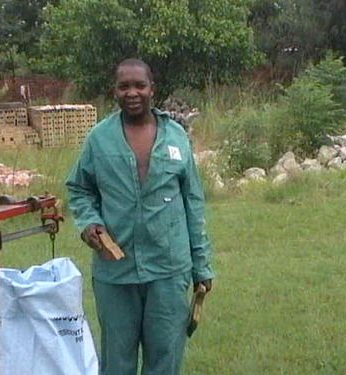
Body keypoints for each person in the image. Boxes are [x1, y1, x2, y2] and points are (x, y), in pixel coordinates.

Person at [65, 58, 214, 375]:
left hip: (168, 269)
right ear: (114, 92)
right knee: (117, 360)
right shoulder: (99, 139)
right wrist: (89, 223)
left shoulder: (175, 138)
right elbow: (79, 189)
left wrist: (201, 265)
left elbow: (193, 202)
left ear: (152, 90)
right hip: (115, 273)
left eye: (139, 85)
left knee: (165, 357)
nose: (132, 92)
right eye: (124, 86)